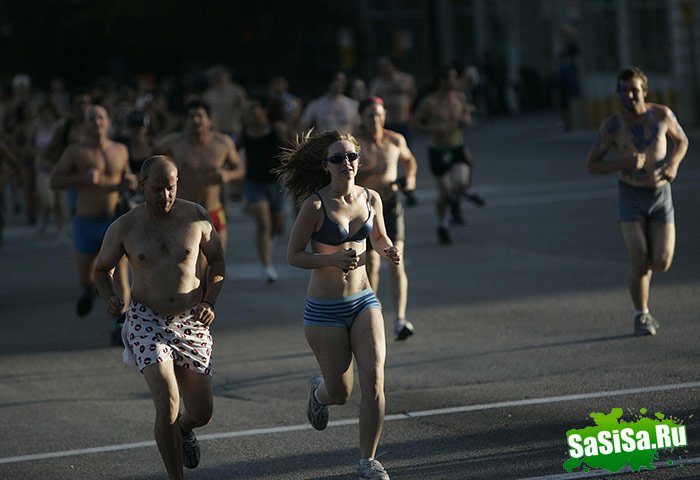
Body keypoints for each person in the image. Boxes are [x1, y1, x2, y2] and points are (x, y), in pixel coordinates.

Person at [275, 129, 400, 480]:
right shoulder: (314, 206)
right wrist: (330, 261)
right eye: (338, 158)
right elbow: (293, 256)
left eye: (351, 156)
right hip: (324, 309)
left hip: (363, 300)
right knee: (341, 392)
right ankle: (319, 392)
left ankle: (368, 461)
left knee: (374, 379)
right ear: (326, 166)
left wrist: (387, 249)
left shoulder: (371, 198)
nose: (347, 163)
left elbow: (377, 235)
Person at [94, 155, 224, 479]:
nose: (164, 196)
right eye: (156, 189)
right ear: (142, 186)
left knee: (202, 412)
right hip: (146, 320)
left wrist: (210, 299)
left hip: (192, 320)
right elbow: (101, 268)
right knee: (167, 400)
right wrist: (109, 295)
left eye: (170, 188)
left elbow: (218, 262)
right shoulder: (125, 226)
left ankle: (185, 428)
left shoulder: (196, 217)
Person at [586, 67, 689, 336]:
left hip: (659, 195)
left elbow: (682, 141)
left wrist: (674, 165)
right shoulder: (612, 126)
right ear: (618, 93)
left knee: (662, 261)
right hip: (630, 195)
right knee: (639, 258)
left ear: (644, 90)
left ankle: (644, 279)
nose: (629, 95)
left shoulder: (662, 115)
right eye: (624, 91)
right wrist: (623, 162)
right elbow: (592, 165)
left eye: (634, 89)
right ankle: (641, 315)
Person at [49, 105, 137, 320]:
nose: (97, 122)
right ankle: (89, 289)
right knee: (86, 276)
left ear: (108, 121)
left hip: (114, 221)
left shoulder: (120, 149)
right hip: (86, 221)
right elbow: (54, 181)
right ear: (85, 124)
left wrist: (131, 182)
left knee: (120, 274)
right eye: (91, 119)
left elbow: (128, 178)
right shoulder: (76, 152)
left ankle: (121, 323)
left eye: (100, 118)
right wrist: (81, 179)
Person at [355, 97, 417, 341]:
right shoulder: (355, 143)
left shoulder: (395, 139)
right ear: (361, 117)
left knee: (396, 259)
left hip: (391, 205)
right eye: (370, 115)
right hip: (365, 208)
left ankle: (400, 319)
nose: (375, 119)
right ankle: (371, 315)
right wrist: (371, 172)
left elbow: (410, 161)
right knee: (371, 264)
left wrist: (409, 180)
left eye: (379, 114)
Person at [154, 99, 245, 251]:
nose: (195, 120)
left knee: (216, 265)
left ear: (210, 120)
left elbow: (240, 169)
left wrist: (227, 176)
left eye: (199, 116)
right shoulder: (173, 143)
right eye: (190, 116)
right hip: (183, 213)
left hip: (213, 211)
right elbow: (149, 158)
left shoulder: (223, 143)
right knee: (193, 267)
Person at [411, 65, 481, 245]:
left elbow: (466, 115)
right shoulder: (430, 102)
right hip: (438, 150)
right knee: (444, 192)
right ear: (441, 81)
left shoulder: (459, 97)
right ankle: (443, 225)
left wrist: (466, 119)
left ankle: (456, 204)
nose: (455, 81)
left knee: (461, 182)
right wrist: (432, 128)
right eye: (451, 77)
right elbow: (415, 123)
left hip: (456, 146)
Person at [238, 96, 289, 283]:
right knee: (263, 224)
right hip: (254, 182)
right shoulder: (245, 132)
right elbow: (236, 155)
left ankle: (271, 238)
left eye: (255, 111)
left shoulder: (276, 129)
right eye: (249, 112)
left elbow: (291, 148)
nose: (252, 115)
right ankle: (266, 266)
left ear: (264, 112)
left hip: (276, 181)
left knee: (277, 225)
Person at [369, 56, 417, 145]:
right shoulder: (377, 83)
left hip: (403, 121)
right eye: (381, 66)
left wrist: (412, 113)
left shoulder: (406, 79)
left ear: (393, 65)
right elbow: (372, 100)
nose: (384, 68)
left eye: (386, 65)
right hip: (387, 123)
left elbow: (413, 96)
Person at [202, 64, 248, 141]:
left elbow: (244, 110)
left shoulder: (237, 92)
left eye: (220, 75)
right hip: (215, 132)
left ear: (227, 75)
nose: (218, 78)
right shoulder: (207, 95)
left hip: (233, 131)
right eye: (215, 75)